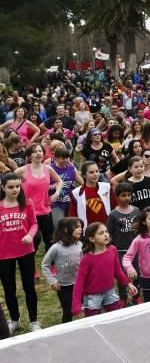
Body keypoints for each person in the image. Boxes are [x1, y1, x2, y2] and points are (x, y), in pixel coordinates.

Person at [0, 172, 40, 333]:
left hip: (25, 251)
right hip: (3, 254)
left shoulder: (27, 203)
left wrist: (30, 235)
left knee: (29, 286)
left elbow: (34, 224)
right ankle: (15, 319)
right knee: (9, 289)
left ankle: (34, 321)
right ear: (3, 187)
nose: (15, 189)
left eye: (17, 186)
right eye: (10, 187)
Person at [72, 221, 137, 319]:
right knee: (93, 321)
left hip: (109, 292)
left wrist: (128, 283)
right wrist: (76, 305)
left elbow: (117, 271)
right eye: (101, 233)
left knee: (115, 318)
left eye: (106, 231)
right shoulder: (87, 259)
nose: (106, 235)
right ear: (92, 239)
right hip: (92, 296)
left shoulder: (112, 250)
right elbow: (79, 283)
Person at [16, 142, 63, 254]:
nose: (38, 153)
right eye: (34, 151)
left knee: (50, 240)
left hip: (45, 210)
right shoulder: (22, 170)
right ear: (29, 155)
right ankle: (31, 266)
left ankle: (50, 264)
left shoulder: (48, 169)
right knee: (34, 239)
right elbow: (7, 182)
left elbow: (59, 181)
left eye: (40, 151)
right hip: (28, 212)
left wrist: (56, 194)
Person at [41, 217, 84, 323]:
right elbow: (45, 264)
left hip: (80, 283)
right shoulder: (56, 248)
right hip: (64, 286)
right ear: (66, 229)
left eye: (81, 227)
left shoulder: (80, 245)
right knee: (68, 310)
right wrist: (52, 280)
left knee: (84, 307)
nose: (81, 229)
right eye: (77, 227)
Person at [106, 182, 140, 305]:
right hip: (120, 250)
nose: (127, 198)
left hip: (136, 250)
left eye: (129, 195)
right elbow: (109, 233)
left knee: (137, 273)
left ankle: (136, 296)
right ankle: (122, 298)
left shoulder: (136, 210)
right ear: (117, 197)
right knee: (122, 276)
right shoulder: (113, 215)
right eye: (123, 195)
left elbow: (140, 229)